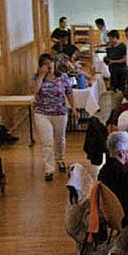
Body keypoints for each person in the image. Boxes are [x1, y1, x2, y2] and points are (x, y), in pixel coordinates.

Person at [30, 53, 75, 182]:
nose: (49, 65)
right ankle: (49, 169)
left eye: (50, 62)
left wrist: (74, 108)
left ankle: (60, 159)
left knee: (60, 139)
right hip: (42, 113)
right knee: (47, 142)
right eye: (45, 63)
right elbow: (34, 91)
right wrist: (40, 76)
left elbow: (69, 93)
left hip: (60, 112)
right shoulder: (36, 78)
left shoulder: (63, 77)